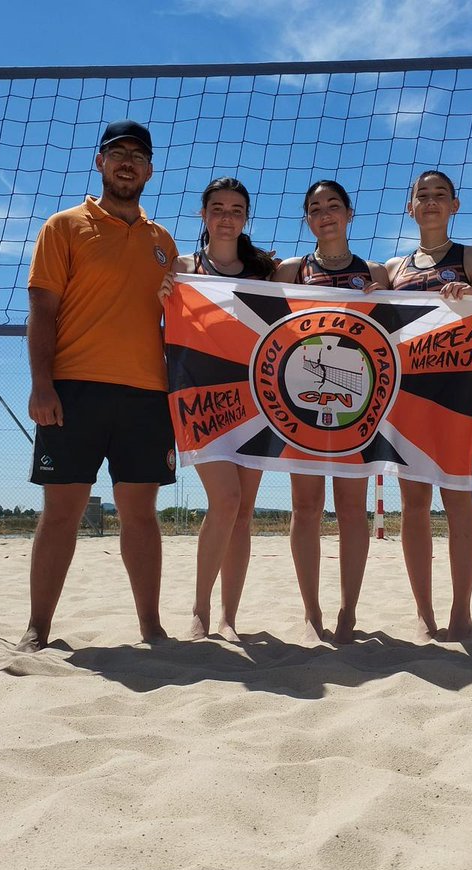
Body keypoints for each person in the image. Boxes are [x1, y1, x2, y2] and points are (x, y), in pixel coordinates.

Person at [18, 119, 179, 651]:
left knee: (140, 515)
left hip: (145, 394)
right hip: (75, 389)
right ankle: (38, 628)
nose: (127, 162)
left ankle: (151, 627)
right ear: (100, 162)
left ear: (150, 169)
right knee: (61, 513)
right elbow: (42, 308)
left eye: (137, 155)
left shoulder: (164, 243)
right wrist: (42, 385)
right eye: (118, 153)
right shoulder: (63, 226)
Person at [272, 180, 390, 644]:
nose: (325, 214)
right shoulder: (290, 270)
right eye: (315, 208)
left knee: (350, 510)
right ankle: (311, 612)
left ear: (349, 213)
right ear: (307, 219)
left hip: (356, 404)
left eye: (333, 206)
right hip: (299, 402)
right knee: (305, 507)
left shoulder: (376, 272)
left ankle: (348, 611)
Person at [384, 170, 472, 642]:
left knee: (458, 497)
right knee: (413, 503)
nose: (430, 202)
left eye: (439, 195)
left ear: (455, 205)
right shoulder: (392, 269)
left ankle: (461, 613)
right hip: (406, 393)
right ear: (410, 208)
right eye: (421, 196)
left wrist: (471, 297)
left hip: (456, 394)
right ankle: (426, 616)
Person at [173, 177, 276, 641]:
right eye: (218, 207)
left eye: (237, 209)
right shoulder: (182, 269)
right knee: (226, 501)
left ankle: (228, 618)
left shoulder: (265, 275)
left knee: (244, 511)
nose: (227, 216)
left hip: (256, 403)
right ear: (203, 214)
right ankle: (199, 609)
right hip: (201, 400)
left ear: (246, 217)